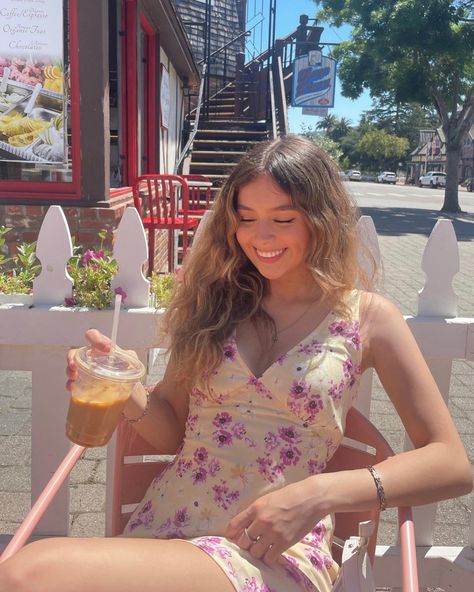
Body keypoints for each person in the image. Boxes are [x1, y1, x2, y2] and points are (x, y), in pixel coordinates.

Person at [0, 135, 472, 592]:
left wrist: (321, 493)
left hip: (270, 549)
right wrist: (128, 390)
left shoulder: (368, 318)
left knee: (28, 573)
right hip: (168, 530)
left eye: (283, 219)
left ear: (321, 219)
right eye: (246, 218)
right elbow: (171, 432)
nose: (259, 237)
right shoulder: (216, 307)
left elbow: (451, 464)